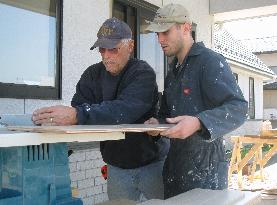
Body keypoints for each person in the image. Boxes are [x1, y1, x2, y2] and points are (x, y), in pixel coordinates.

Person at [32, 17, 169, 202]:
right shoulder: (92, 74)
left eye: (113, 48)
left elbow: (124, 110)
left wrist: (78, 115)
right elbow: (80, 106)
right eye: (102, 49)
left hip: (152, 163)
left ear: (130, 46)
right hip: (116, 166)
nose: (106, 55)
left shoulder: (142, 73)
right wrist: (60, 117)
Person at [145, 4, 248, 199]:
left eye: (165, 32)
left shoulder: (210, 62)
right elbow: (167, 117)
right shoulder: (173, 72)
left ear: (185, 27)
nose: (159, 39)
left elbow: (239, 108)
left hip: (206, 173)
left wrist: (199, 122)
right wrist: (157, 125)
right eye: (157, 34)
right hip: (175, 168)